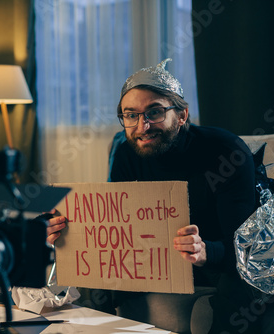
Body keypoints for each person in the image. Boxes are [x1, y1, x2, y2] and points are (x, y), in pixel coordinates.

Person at [46, 59, 260, 333]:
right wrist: (69, 232)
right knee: (96, 274)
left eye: (154, 112)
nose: (142, 126)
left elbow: (246, 250)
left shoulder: (226, 151)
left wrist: (206, 251)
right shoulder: (125, 151)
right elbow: (118, 226)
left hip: (221, 259)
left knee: (241, 283)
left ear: (181, 115)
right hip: (158, 259)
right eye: (131, 115)